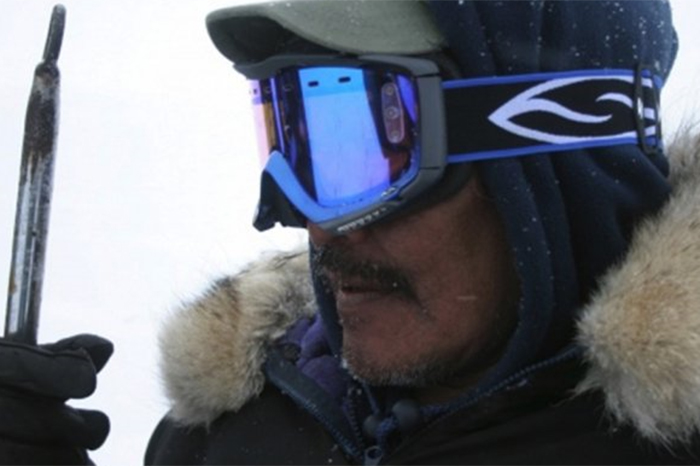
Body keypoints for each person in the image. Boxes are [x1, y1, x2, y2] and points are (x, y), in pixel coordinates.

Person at [2, 0, 700, 464]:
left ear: (559, 168)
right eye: (295, 138)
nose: (316, 224)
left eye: (369, 143)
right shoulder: (229, 431)